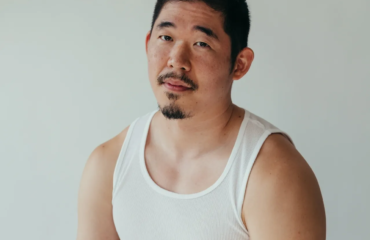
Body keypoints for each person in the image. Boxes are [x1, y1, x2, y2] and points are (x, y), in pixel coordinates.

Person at [76, 0, 326, 239]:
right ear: (148, 43)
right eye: (166, 37)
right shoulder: (108, 164)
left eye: (201, 43)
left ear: (239, 64)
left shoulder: (273, 174)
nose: (176, 60)